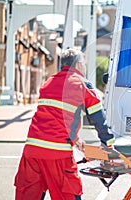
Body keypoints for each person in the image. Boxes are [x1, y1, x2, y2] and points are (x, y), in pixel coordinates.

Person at [14, 48, 115, 200]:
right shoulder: (82, 84)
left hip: (32, 152)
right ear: (79, 65)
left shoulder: (48, 83)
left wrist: (76, 141)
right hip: (58, 156)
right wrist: (108, 143)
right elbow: (98, 118)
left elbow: (55, 120)